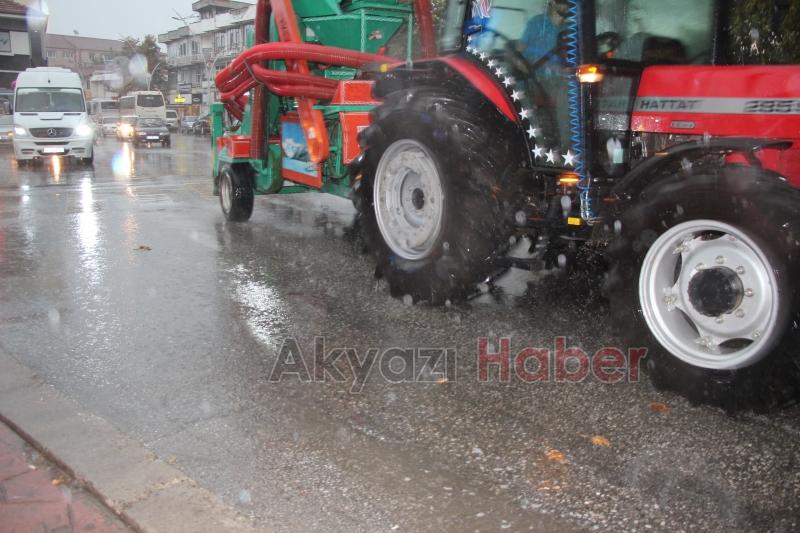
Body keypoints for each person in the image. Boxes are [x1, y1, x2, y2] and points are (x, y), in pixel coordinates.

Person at [519, 0, 570, 69]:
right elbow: (519, 51)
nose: (564, 5)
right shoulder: (537, 22)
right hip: (536, 75)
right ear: (552, 2)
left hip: (560, 76)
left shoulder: (570, 28)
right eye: (561, 1)